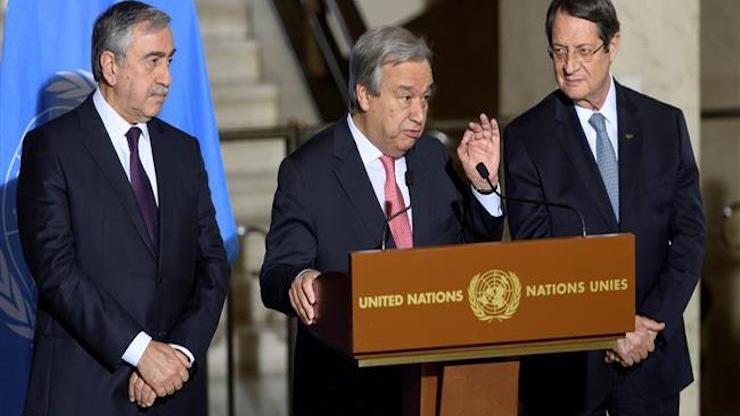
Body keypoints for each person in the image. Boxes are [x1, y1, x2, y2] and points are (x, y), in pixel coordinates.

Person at [260, 26, 504, 415]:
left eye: (425, 98)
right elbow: (277, 271)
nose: (419, 114)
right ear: (364, 95)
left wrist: (483, 189)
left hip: (433, 382)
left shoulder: (431, 157)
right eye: (405, 97)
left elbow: (470, 252)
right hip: (348, 387)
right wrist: (299, 278)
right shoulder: (307, 170)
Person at [16, 2, 229, 414]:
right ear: (110, 66)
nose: (166, 77)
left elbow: (213, 264)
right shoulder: (52, 149)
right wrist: (142, 352)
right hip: (85, 390)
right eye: (153, 61)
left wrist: (179, 353)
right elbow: (56, 271)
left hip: (174, 390)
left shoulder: (183, 152)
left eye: (169, 61)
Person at [503, 0, 706, 414]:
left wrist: (647, 325)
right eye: (559, 51)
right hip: (571, 372)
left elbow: (689, 237)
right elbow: (538, 256)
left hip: (652, 358)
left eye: (583, 51)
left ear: (612, 45)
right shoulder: (526, 138)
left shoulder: (664, 125)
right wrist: (606, 330)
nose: (569, 66)